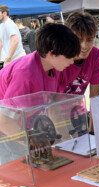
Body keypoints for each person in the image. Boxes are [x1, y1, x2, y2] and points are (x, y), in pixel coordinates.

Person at [0, 23, 80, 165]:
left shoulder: (54, 68)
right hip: (6, 132)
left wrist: (68, 141)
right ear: (51, 53)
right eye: (69, 56)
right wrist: (32, 141)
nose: (72, 61)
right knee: (17, 173)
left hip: (21, 126)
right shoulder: (25, 73)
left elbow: (53, 108)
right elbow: (4, 120)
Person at [60, 11, 99, 133]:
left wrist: (92, 131)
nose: (84, 46)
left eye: (89, 40)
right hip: (54, 114)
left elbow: (95, 96)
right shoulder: (58, 55)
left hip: (78, 112)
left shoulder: (97, 55)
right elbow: (49, 102)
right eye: (78, 40)